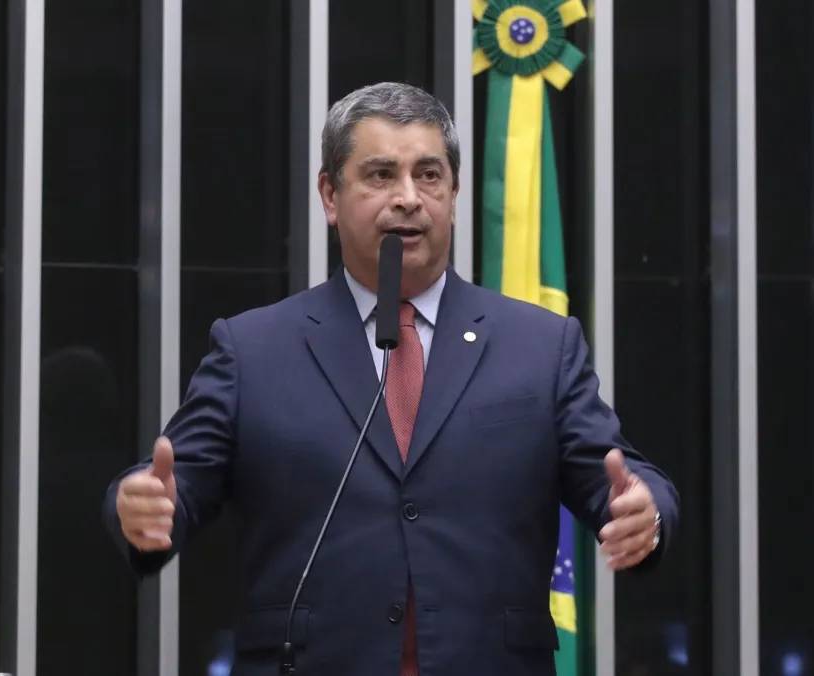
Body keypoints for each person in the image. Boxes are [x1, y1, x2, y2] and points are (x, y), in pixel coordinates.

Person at [105, 82, 678, 676]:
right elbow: (172, 486)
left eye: (429, 175)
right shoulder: (253, 349)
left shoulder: (541, 346)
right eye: (380, 175)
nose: (408, 198)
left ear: (454, 192)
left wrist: (647, 512)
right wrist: (144, 506)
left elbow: (621, 478)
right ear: (330, 194)